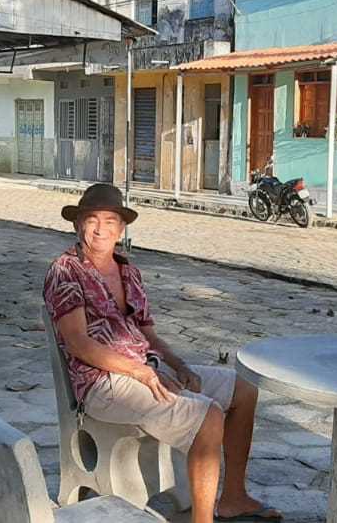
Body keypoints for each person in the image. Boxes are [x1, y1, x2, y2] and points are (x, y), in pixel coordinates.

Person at [44, 183, 282, 523]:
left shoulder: (128, 271)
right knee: (208, 415)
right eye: (91, 219)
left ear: (121, 228)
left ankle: (233, 496)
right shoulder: (66, 271)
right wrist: (141, 372)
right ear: (78, 224)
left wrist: (178, 364)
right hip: (101, 384)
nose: (100, 229)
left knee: (244, 388)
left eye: (110, 220)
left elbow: (147, 332)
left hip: (144, 368)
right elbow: (80, 344)